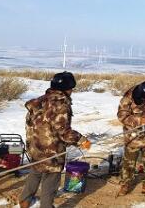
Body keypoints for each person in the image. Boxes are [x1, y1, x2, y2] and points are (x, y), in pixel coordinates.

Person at [19, 71, 90, 208]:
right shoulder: (61, 105)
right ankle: (46, 205)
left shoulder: (39, 100)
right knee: (51, 178)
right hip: (51, 149)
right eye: (71, 88)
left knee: (36, 171)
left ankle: (25, 200)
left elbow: (31, 123)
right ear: (67, 89)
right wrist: (81, 140)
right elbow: (64, 131)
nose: (72, 91)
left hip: (34, 146)